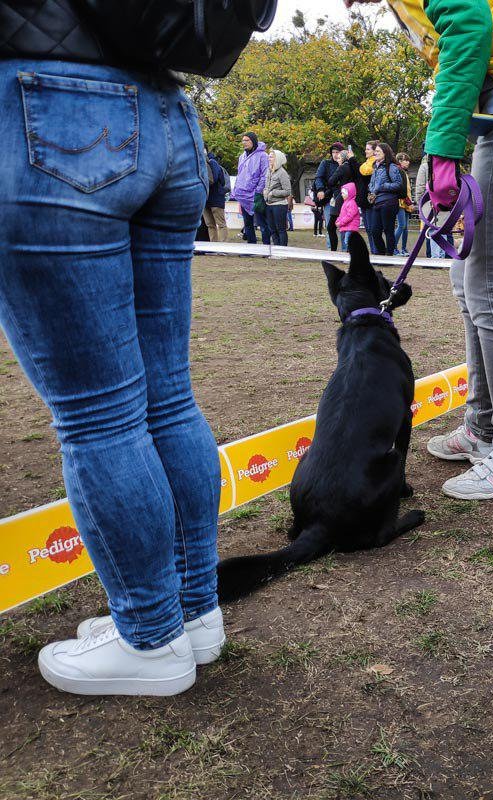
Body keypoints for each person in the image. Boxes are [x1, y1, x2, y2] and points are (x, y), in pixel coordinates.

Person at [1, 0, 229, 695]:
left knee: (101, 417)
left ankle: (151, 638)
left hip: (50, 110)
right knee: (166, 397)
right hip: (168, 112)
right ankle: (195, 617)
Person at [347, 0, 493, 500]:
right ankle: (481, 425)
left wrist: (443, 146)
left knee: (489, 290)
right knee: (467, 280)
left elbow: (469, 31)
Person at [365, 142, 405, 256]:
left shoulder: (391, 167)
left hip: (389, 202)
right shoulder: (375, 167)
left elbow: (398, 184)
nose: (375, 153)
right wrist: (371, 191)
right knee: (374, 231)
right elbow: (373, 184)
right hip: (377, 202)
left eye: (378, 151)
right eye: (375, 151)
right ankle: (382, 254)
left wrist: (383, 186)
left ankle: (389, 255)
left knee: (388, 230)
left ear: (385, 153)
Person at [232, 132, 270, 244]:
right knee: (247, 223)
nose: (244, 142)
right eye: (243, 140)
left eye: (247, 140)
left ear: (253, 141)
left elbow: (265, 174)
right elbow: (240, 174)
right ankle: (251, 246)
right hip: (243, 195)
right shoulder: (242, 156)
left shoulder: (263, 156)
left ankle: (266, 246)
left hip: (256, 195)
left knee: (262, 223)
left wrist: (258, 191)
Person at [314, 143, 345, 250]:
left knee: (343, 226)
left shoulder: (346, 164)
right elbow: (318, 177)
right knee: (330, 226)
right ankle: (330, 250)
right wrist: (320, 189)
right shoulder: (325, 163)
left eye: (338, 152)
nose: (335, 155)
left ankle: (345, 250)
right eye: (333, 152)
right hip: (329, 198)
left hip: (344, 198)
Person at [264, 149, 292, 247]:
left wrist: (273, 193)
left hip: (279, 205)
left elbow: (288, 191)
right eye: (269, 156)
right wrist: (265, 193)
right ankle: (276, 249)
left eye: (271, 157)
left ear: (277, 159)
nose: (269, 158)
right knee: (272, 229)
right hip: (269, 204)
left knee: (281, 229)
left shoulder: (282, 173)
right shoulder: (269, 171)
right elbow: (266, 186)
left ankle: (283, 251)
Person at [202, 149, 229, 243]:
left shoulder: (212, 162)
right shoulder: (201, 163)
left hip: (216, 198)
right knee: (210, 224)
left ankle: (222, 246)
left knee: (221, 224)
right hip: (205, 199)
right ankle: (213, 245)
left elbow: (214, 179)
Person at [394, 152, 414, 255]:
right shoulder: (398, 171)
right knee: (401, 225)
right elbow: (402, 190)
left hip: (406, 203)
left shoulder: (405, 172)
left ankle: (404, 248)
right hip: (401, 202)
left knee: (406, 227)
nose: (408, 162)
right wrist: (409, 202)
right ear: (400, 161)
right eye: (406, 160)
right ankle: (393, 247)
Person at [335, 182, 362, 252]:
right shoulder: (345, 203)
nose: (342, 195)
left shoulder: (352, 203)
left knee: (347, 241)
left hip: (350, 227)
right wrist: (338, 220)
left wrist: (340, 223)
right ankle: (345, 255)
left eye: (343, 193)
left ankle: (352, 255)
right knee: (344, 242)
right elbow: (342, 214)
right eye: (342, 193)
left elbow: (350, 216)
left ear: (349, 193)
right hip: (344, 227)